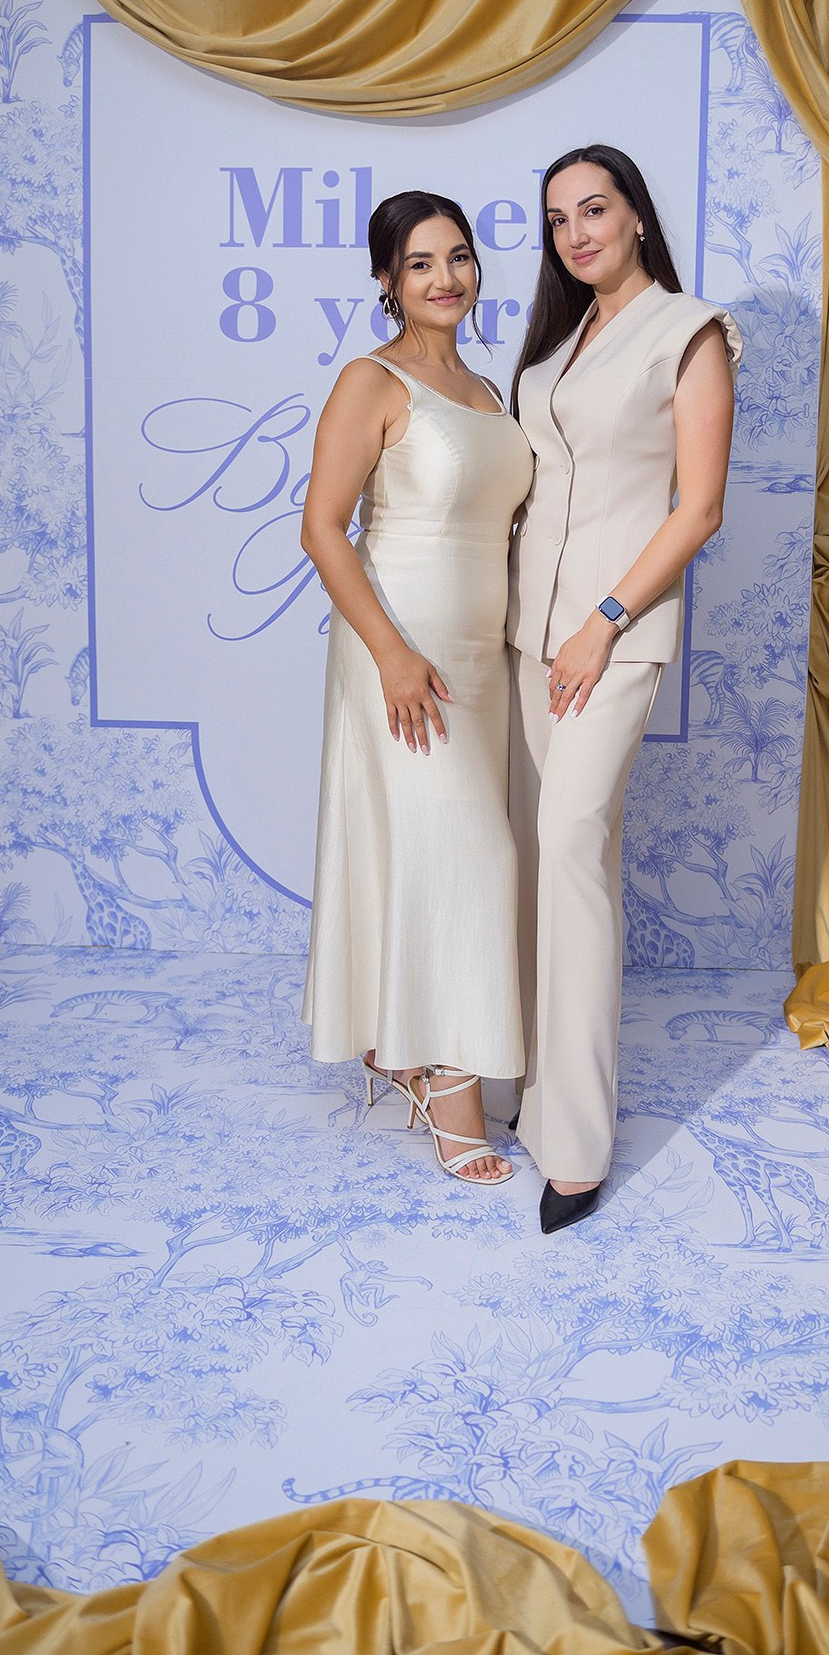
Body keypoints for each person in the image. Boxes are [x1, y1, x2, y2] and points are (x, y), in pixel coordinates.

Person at [507, 145, 741, 1231]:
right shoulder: (558, 345)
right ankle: (533, 1092)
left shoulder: (689, 333)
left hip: (612, 642)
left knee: (570, 855)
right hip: (524, 640)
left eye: (593, 209)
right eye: (557, 219)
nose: (576, 233)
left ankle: (576, 1147)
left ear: (636, 215)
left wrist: (603, 622)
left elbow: (699, 506)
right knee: (543, 862)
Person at [301, 191, 534, 1184]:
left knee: (445, 856)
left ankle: (400, 1048)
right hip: (402, 651)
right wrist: (392, 654)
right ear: (387, 281)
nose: (446, 278)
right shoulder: (372, 379)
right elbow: (322, 527)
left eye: (460, 257)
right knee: (471, 856)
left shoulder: (485, 389)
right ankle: (449, 1086)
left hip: (482, 657)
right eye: (421, 263)